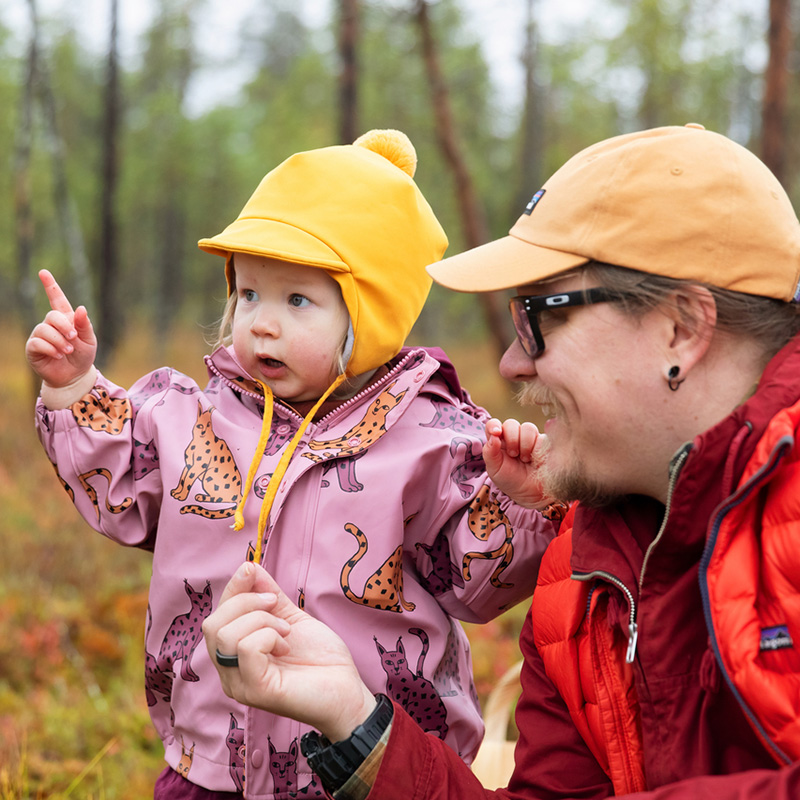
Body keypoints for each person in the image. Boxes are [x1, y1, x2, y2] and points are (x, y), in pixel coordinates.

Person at [201, 122, 800, 799]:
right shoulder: (576, 581)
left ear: (681, 329)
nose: (512, 362)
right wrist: (356, 722)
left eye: (539, 319)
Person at [26, 129, 562, 799]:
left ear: (367, 315)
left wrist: (514, 502)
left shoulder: (433, 441)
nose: (261, 323)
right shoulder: (192, 418)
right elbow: (121, 489)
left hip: (363, 762)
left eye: (297, 301)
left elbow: (474, 587)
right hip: (208, 760)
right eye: (249, 294)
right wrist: (74, 387)